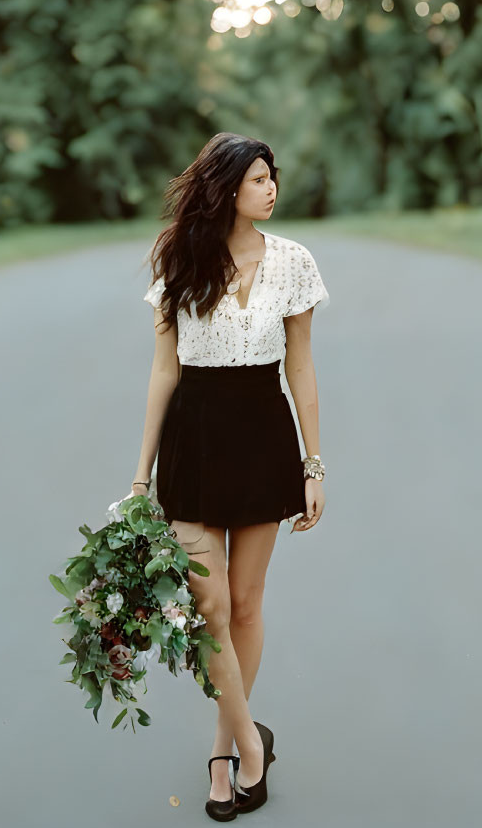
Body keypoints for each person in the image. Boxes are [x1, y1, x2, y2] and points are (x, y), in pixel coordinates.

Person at [129, 133, 329, 821]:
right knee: (208, 609)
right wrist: (139, 476)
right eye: (256, 180)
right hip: (193, 442)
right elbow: (164, 370)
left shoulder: (295, 263)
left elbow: (300, 368)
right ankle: (250, 740)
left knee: (244, 604)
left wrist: (312, 464)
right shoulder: (179, 259)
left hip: (263, 440)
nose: (270, 189)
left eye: (273, 177)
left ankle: (223, 749)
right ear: (225, 190)